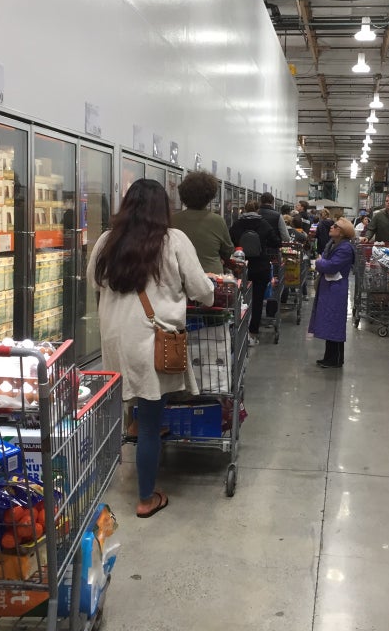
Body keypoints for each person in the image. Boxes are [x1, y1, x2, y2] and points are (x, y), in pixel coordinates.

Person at [89, 180, 216, 518]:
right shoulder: (173, 240)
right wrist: (205, 292)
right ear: (163, 208)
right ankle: (146, 498)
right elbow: (202, 290)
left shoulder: (106, 241)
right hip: (152, 339)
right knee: (150, 422)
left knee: (128, 399)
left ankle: (113, 456)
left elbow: (95, 283)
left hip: (116, 338)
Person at [308, 217, 357, 367]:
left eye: (335, 226)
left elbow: (331, 266)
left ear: (342, 232)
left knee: (334, 322)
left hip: (336, 288)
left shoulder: (345, 248)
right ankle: (330, 357)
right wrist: (323, 262)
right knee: (330, 322)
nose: (331, 227)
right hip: (329, 286)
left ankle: (335, 359)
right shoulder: (333, 244)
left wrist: (319, 262)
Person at [230, 200, 280, 346]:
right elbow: (276, 242)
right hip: (260, 267)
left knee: (239, 300)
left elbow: (229, 241)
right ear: (258, 210)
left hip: (240, 267)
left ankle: (238, 332)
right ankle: (252, 333)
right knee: (257, 301)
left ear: (244, 209)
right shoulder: (264, 224)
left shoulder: (237, 224)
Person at [171, 170, 234, 275]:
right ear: (210, 196)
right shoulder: (217, 221)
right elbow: (228, 251)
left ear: (183, 195)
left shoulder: (173, 219)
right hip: (211, 277)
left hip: (180, 275)